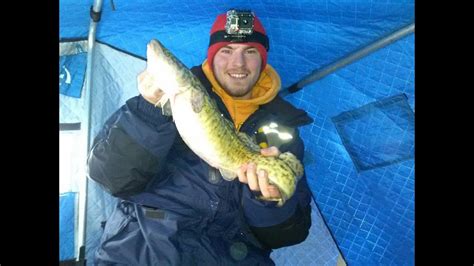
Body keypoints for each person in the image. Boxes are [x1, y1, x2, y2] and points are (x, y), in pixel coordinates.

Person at [87, 9, 314, 265]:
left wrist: (270, 201)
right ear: (212, 55)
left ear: (262, 60)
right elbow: (109, 177)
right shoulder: (163, 101)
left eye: (249, 52)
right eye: (226, 50)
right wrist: (148, 111)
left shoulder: (285, 131)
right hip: (144, 249)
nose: (238, 64)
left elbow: (292, 233)